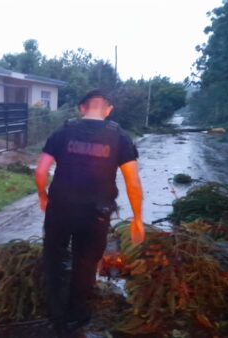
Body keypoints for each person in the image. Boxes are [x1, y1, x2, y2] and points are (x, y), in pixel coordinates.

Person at [35, 89, 145, 335]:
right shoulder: (120, 137)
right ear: (108, 110)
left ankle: (56, 316)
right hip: (96, 214)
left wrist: (43, 196)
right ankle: (77, 315)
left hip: (59, 209)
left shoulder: (62, 132)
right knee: (85, 264)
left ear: (81, 108)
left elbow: (41, 171)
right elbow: (133, 182)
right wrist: (138, 219)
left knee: (55, 261)